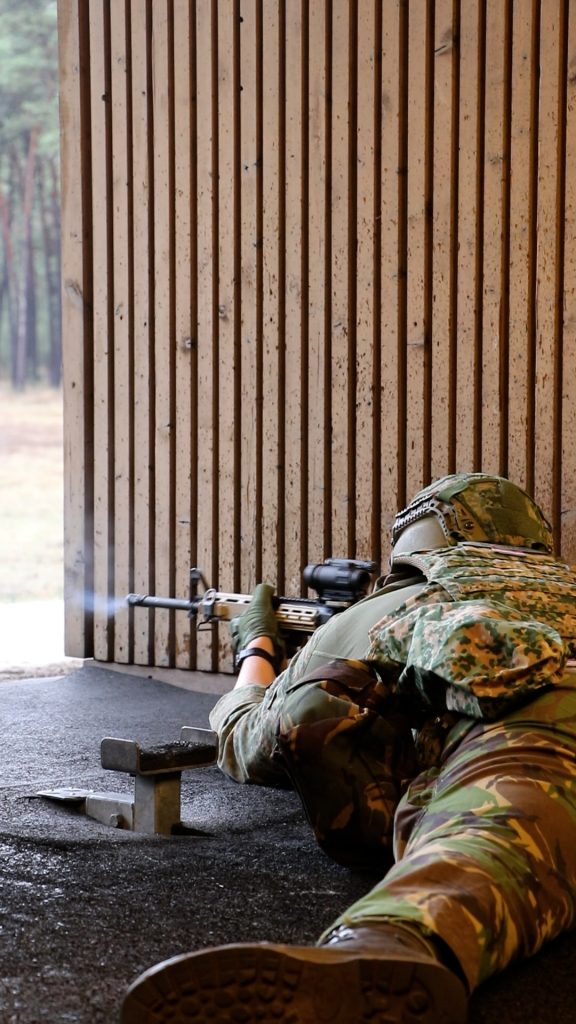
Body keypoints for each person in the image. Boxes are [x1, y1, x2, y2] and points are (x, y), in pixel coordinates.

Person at [121, 473, 576, 1024]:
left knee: (498, 832)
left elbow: (248, 741)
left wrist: (257, 648)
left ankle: (383, 949)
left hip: (540, 737)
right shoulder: (564, 591)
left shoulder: (412, 600)